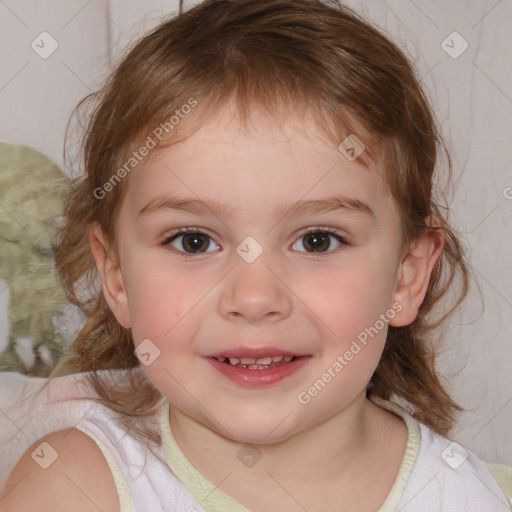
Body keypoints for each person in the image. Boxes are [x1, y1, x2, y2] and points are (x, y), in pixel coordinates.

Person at [2, 0, 511, 510]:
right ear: (115, 276)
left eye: (317, 240)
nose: (254, 297)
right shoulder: (74, 488)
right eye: (193, 241)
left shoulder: (458, 496)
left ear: (406, 276)